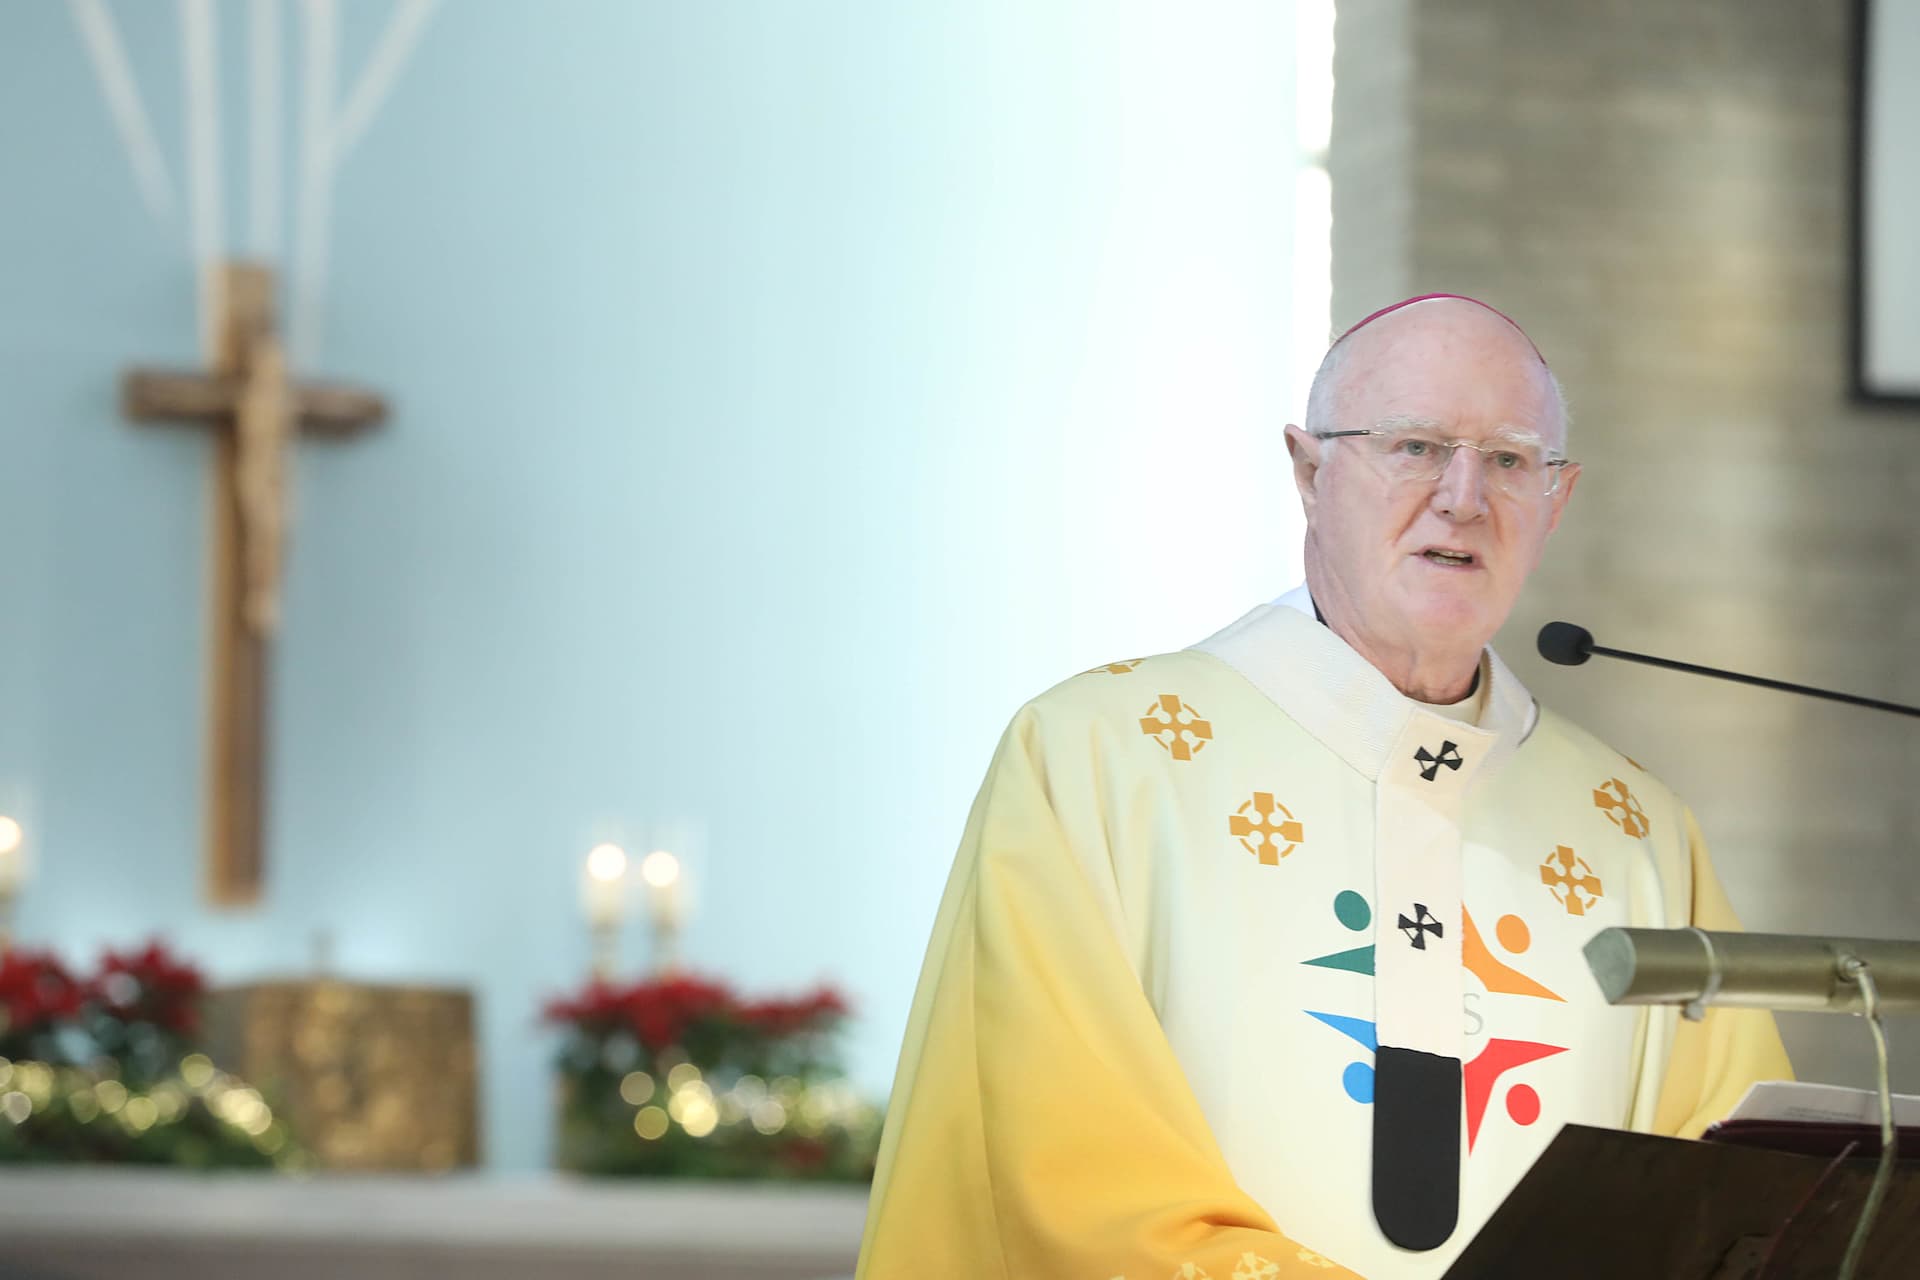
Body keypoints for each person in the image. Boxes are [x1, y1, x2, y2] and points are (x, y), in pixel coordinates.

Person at [855, 295, 1791, 1279]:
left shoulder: (1638, 831)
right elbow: (1062, 1178)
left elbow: (1747, 1192)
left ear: (1556, 501)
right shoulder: (1097, 760)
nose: (1464, 497)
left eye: (1511, 460)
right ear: (1309, 472)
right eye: (1416, 446)